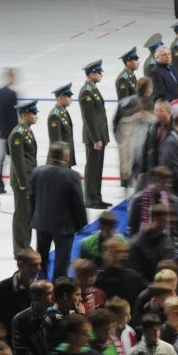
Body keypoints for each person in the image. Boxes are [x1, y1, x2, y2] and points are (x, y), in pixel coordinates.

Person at [29, 142, 88, 280]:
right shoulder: (72, 175)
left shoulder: (37, 171)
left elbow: (31, 198)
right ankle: (59, 284)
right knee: (62, 259)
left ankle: (41, 283)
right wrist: (82, 223)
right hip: (64, 224)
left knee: (41, 255)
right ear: (66, 157)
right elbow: (78, 202)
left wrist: (32, 219)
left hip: (41, 222)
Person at [0, 249, 42, 334]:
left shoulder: (42, 288)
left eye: (39, 264)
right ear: (20, 265)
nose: (38, 268)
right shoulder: (1, 288)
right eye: (33, 265)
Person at [8, 100, 38, 254]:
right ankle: (21, 248)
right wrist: (23, 183)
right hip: (22, 181)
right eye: (33, 113)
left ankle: (26, 244)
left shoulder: (26, 130)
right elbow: (18, 160)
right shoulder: (18, 133)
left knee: (28, 214)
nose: (36, 115)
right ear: (25, 114)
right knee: (22, 215)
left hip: (28, 178)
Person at [79, 60, 110, 209]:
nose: (100, 75)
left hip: (99, 137)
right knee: (92, 169)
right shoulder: (87, 91)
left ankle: (97, 197)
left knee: (98, 168)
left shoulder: (93, 89)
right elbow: (89, 118)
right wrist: (96, 139)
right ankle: (90, 199)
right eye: (98, 72)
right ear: (91, 74)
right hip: (94, 138)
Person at [11, 280, 53, 355]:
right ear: (36, 298)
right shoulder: (20, 319)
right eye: (49, 293)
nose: (53, 296)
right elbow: (21, 349)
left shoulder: (55, 316)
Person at [0, 68, 18, 196]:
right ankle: (16, 181)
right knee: (15, 157)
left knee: (1, 158)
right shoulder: (12, 94)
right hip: (10, 131)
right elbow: (13, 116)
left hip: (2, 130)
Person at [48, 83, 76, 167]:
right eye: (68, 96)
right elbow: (56, 142)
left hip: (65, 157)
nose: (71, 99)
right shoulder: (55, 115)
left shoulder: (63, 112)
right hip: (60, 160)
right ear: (60, 98)